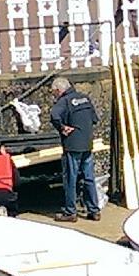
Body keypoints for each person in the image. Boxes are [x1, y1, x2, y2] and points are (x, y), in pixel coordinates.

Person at [48, 77, 100, 222]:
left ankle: (70, 212)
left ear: (59, 90)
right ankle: (94, 210)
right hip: (87, 143)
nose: (54, 95)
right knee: (89, 178)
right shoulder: (85, 98)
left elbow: (54, 115)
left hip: (72, 145)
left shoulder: (64, 101)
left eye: (54, 93)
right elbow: (94, 119)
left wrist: (62, 127)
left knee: (71, 178)